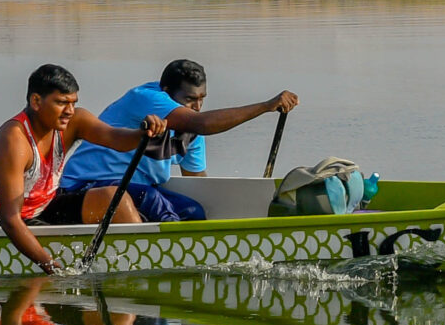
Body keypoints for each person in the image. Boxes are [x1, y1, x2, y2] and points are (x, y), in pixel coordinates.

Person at [0, 63, 166, 273]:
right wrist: (53, 268)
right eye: (61, 103)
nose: (69, 111)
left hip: (41, 208)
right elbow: (10, 220)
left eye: (73, 103)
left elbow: (117, 140)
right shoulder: (14, 140)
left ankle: (141, 266)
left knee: (114, 198)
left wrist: (142, 134)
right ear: (36, 101)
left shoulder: (74, 121)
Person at [59, 60, 299, 223]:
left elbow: (197, 180)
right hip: (86, 187)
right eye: (189, 99)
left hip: (136, 190)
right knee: (152, 199)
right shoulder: (147, 98)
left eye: (201, 99)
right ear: (166, 91)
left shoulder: (191, 127)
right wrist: (266, 106)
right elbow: (202, 122)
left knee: (193, 210)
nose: (196, 107)